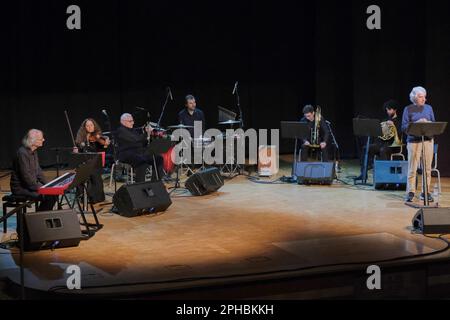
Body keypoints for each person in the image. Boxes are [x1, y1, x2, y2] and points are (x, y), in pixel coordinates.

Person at [402, 86, 435, 203]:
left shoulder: (429, 108)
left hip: (427, 140)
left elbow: (434, 125)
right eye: (421, 97)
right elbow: (404, 127)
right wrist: (416, 123)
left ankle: (425, 192)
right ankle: (410, 192)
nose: (423, 99)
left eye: (424, 97)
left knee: (427, 169)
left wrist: (428, 123)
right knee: (412, 168)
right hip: (413, 141)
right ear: (414, 97)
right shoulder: (408, 109)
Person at [10, 129, 57, 211]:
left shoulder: (34, 151)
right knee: (49, 196)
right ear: (33, 141)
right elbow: (26, 177)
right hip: (21, 188)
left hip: (30, 185)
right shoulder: (22, 153)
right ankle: (37, 221)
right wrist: (42, 188)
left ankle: (41, 218)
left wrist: (48, 185)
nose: (43, 140)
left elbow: (38, 172)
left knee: (53, 194)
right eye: (41, 139)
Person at [355, 100, 403, 179]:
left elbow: (400, 134)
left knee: (383, 150)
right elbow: (379, 134)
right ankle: (363, 174)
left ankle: (385, 176)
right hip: (382, 144)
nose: (388, 111)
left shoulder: (399, 121)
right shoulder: (384, 120)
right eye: (387, 110)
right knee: (366, 148)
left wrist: (393, 126)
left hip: (393, 146)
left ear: (395, 110)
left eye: (389, 109)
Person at [115, 113, 164, 182]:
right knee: (142, 162)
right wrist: (146, 133)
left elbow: (141, 142)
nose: (133, 123)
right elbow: (135, 140)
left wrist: (149, 136)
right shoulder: (121, 130)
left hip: (138, 152)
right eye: (130, 121)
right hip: (126, 153)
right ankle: (140, 185)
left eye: (133, 121)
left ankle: (156, 182)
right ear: (123, 122)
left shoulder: (133, 130)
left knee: (158, 158)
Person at [73, 118, 109, 203]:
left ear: (94, 126)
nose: (89, 127)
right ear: (84, 127)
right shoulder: (81, 137)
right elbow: (79, 151)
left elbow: (104, 146)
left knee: (94, 174)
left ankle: (94, 198)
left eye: (91, 125)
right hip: (84, 162)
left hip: (96, 163)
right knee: (81, 173)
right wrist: (76, 150)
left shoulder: (98, 136)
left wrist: (104, 143)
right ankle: (82, 197)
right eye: (87, 126)